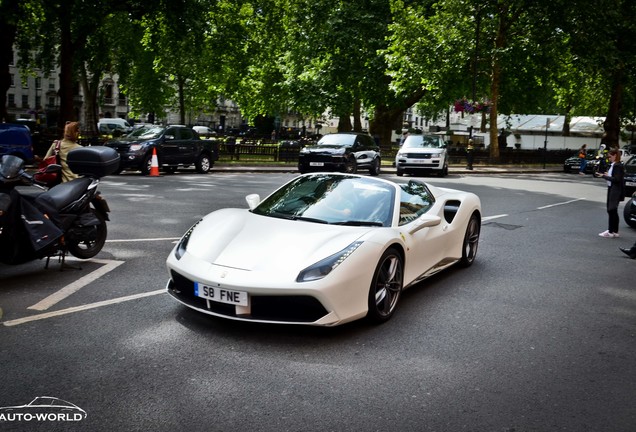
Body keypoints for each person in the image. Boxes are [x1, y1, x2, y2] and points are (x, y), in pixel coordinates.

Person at [595, 149, 625, 238]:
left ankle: (610, 231)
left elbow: (616, 179)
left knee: (611, 210)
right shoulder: (615, 165)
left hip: (614, 190)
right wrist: (608, 174)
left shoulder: (617, 166)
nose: (609, 158)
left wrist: (604, 176)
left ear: (615, 155)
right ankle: (615, 231)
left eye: (610, 156)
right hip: (613, 189)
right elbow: (615, 177)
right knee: (613, 211)